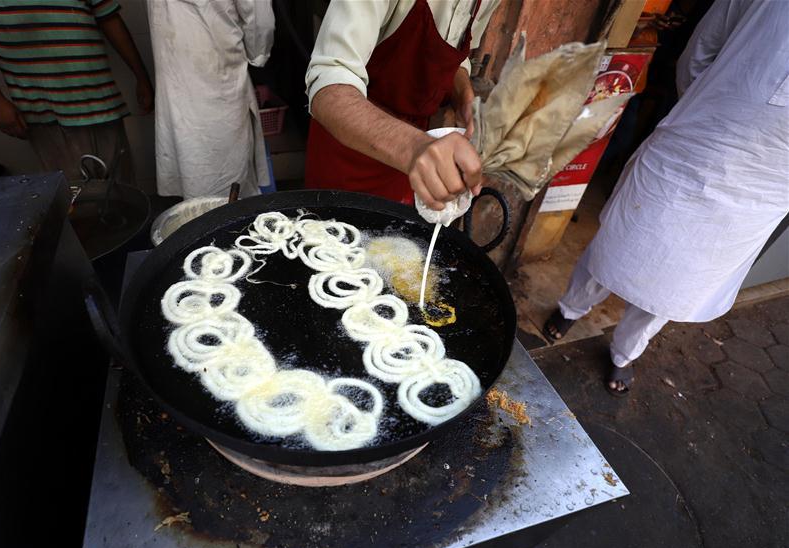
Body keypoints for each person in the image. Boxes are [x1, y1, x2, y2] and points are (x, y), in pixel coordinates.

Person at [543, 0, 789, 396]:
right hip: (692, 152)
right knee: (614, 246)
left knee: (676, 286)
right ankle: (571, 307)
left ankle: (625, 352)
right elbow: (700, 53)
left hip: (763, 192)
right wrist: (706, 113)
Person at [304, 0, 498, 209]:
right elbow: (328, 87)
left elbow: (456, 56)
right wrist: (415, 147)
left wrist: (464, 97)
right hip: (348, 150)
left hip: (417, 152)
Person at [0, 0, 153, 183]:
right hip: (44, 109)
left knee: (121, 188)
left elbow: (109, 18)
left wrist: (141, 76)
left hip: (101, 100)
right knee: (73, 195)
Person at [148, 0, 274, 199]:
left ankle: (200, 217)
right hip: (217, 77)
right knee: (225, 179)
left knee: (195, 168)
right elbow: (260, 23)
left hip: (184, 76)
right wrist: (257, 56)